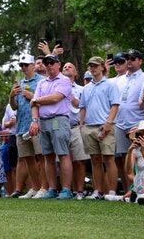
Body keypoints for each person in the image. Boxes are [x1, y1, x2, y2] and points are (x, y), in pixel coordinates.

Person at [29, 54, 73, 199]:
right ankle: (52, 189)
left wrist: (36, 99)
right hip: (43, 121)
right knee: (47, 156)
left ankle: (66, 189)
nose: (49, 66)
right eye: (46, 63)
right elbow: (34, 105)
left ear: (58, 64)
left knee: (63, 154)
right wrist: (34, 121)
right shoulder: (42, 83)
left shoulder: (65, 80)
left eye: (52, 63)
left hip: (58, 119)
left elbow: (55, 98)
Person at [79, 56, 120, 200]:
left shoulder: (110, 85)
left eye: (95, 65)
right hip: (89, 127)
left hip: (105, 126)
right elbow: (82, 107)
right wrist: (82, 125)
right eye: (90, 66)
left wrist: (108, 123)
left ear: (103, 67)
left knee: (108, 159)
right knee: (94, 160)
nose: (92, 68)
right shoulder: (86, 88)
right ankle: (98, 191)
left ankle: (112, 192)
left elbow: (115, 105)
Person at [8, 54, 47, 199]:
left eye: (26, 64)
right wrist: (11, 96)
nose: (23, 67)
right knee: (28, 159)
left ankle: (45, 187)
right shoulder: (19, 84)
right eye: (21, 65)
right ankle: (35, 188)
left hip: (37, 125)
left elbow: (48, 102)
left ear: (33, 65)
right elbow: (14, 107)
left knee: (42, 157)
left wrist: (33, 97)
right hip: (21, 125)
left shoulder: (42, 82)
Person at [115, 50, 144, 194]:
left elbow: (142, 105)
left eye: (133, 58)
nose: (129, 61)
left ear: (140, 61)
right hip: (120, 122)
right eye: (127, 58)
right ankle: (128, 189)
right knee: (124, 157)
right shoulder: (120, 79)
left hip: (138, 122)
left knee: (141, 155)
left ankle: (141, 188)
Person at [62, 62, 90, 200]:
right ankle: (66, 190)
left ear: (76, 72)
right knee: (62, 160)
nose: (66, 68)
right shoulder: (57, 87)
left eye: (70, 67)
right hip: (61, 127)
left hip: (76, 126)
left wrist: (75, 101)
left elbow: (86, 107)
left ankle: (79, 191)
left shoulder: (82, 89)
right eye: (64, 67)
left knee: (79, 160)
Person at [124, 120, 144, 204]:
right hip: (140, 186)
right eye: (140, 132)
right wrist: (130, 151)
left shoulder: (142, 151)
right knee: (141, 197)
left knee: (142, 198)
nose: (141, 135)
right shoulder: (136, 150)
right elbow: (128, 172)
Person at [0, 103, 18, 196]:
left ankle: (30, 189)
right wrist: (10, 123)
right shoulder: (9, 106)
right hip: (10, 140)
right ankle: (12, 192)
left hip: (24, 134)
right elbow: (4, 124)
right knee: (11, 168)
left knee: (25, 162)